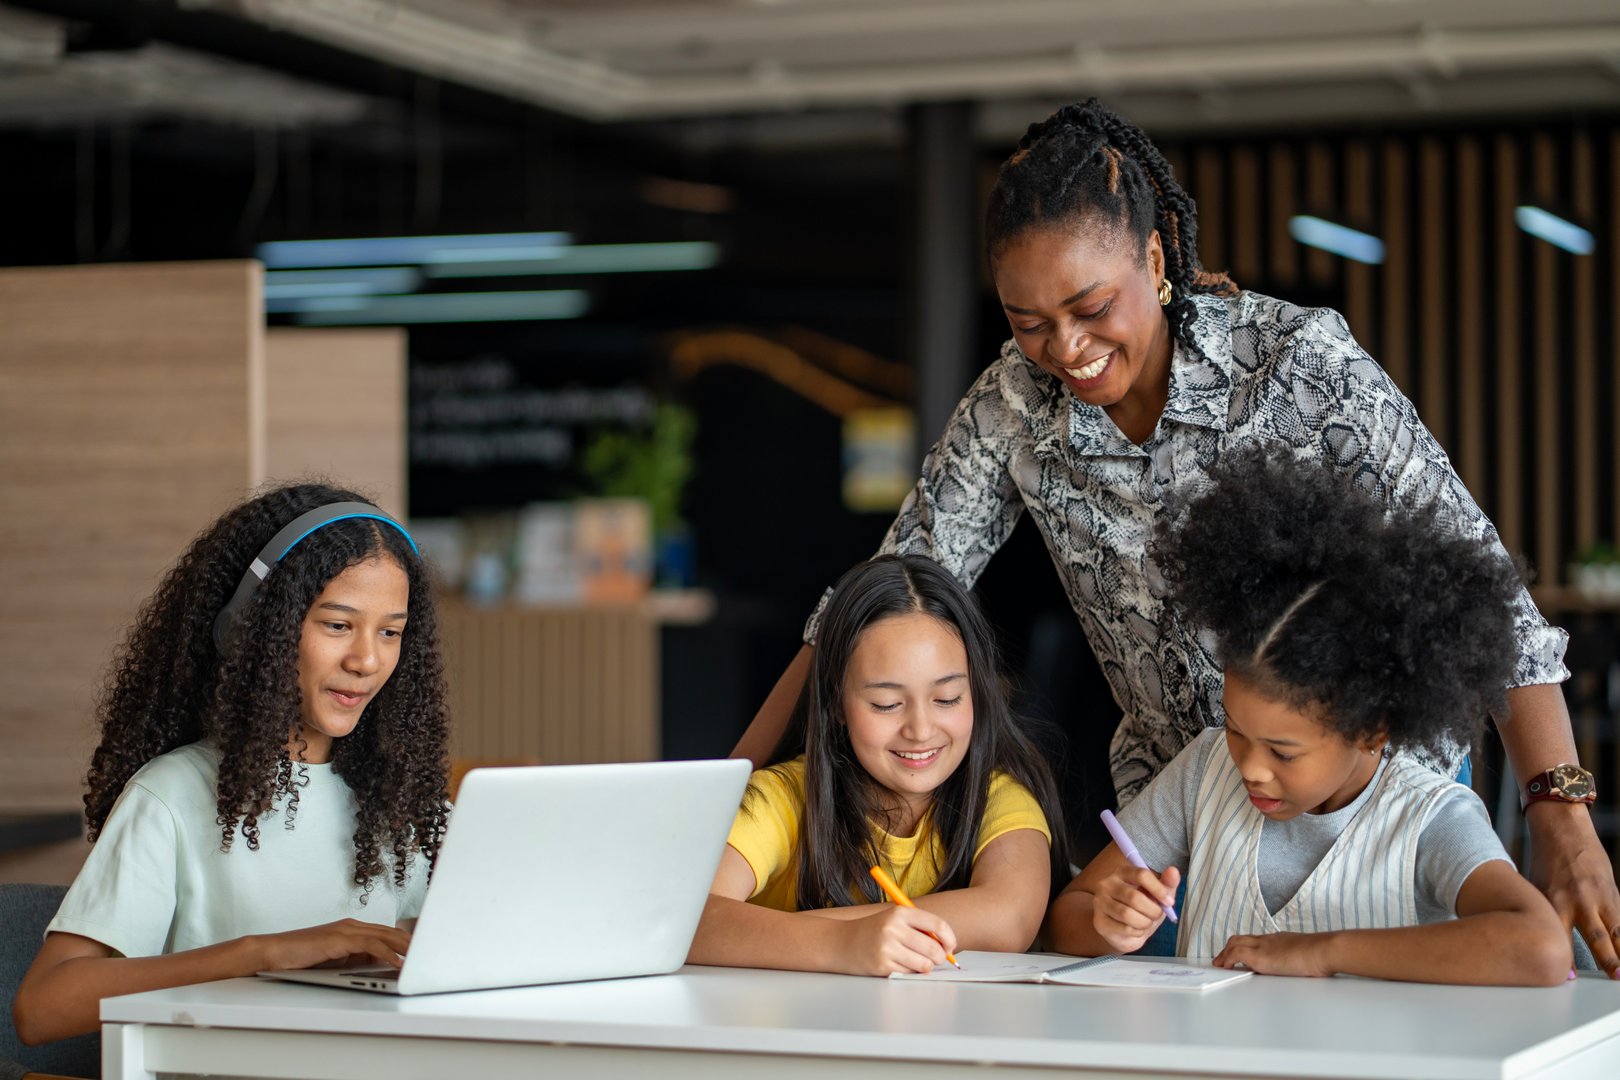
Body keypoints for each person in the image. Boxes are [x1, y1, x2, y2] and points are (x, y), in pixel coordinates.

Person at [731, 98, 1619, 973]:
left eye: (1090, 306)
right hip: (1179, 814)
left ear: (1154, 258)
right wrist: (720, 794)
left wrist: (1559, 808)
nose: (1065, 349)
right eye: (1028, 322)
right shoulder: (1013, 403)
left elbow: (1480, 582)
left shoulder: (1298, 366)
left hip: (1368, 802)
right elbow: (883, 590)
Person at [1044, 446, 1571, 986]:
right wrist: (1107, 922)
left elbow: (1541, 948)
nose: (1250, 767)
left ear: (1371, 731)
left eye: (1283, 750)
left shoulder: (1429, 819)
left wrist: (1323, 951)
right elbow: (1067, 919)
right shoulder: (1203, 774)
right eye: (1235, 730)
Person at [13, 483, 451, 1044]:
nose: (367, 659)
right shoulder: (172, 795)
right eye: (337, 625)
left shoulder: (403, 802)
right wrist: (261, 953)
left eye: (390, 632)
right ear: (252, 629)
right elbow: (43, 1009)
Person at [689, 554, 1067, 976]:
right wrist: (842, 943)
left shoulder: (999, 798)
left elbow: (1007, 919)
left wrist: (803, 933)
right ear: (836, 702)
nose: (921, 730)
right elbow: (684, 918)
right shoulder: (782, 797)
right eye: (887, 704)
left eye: (947, 699)